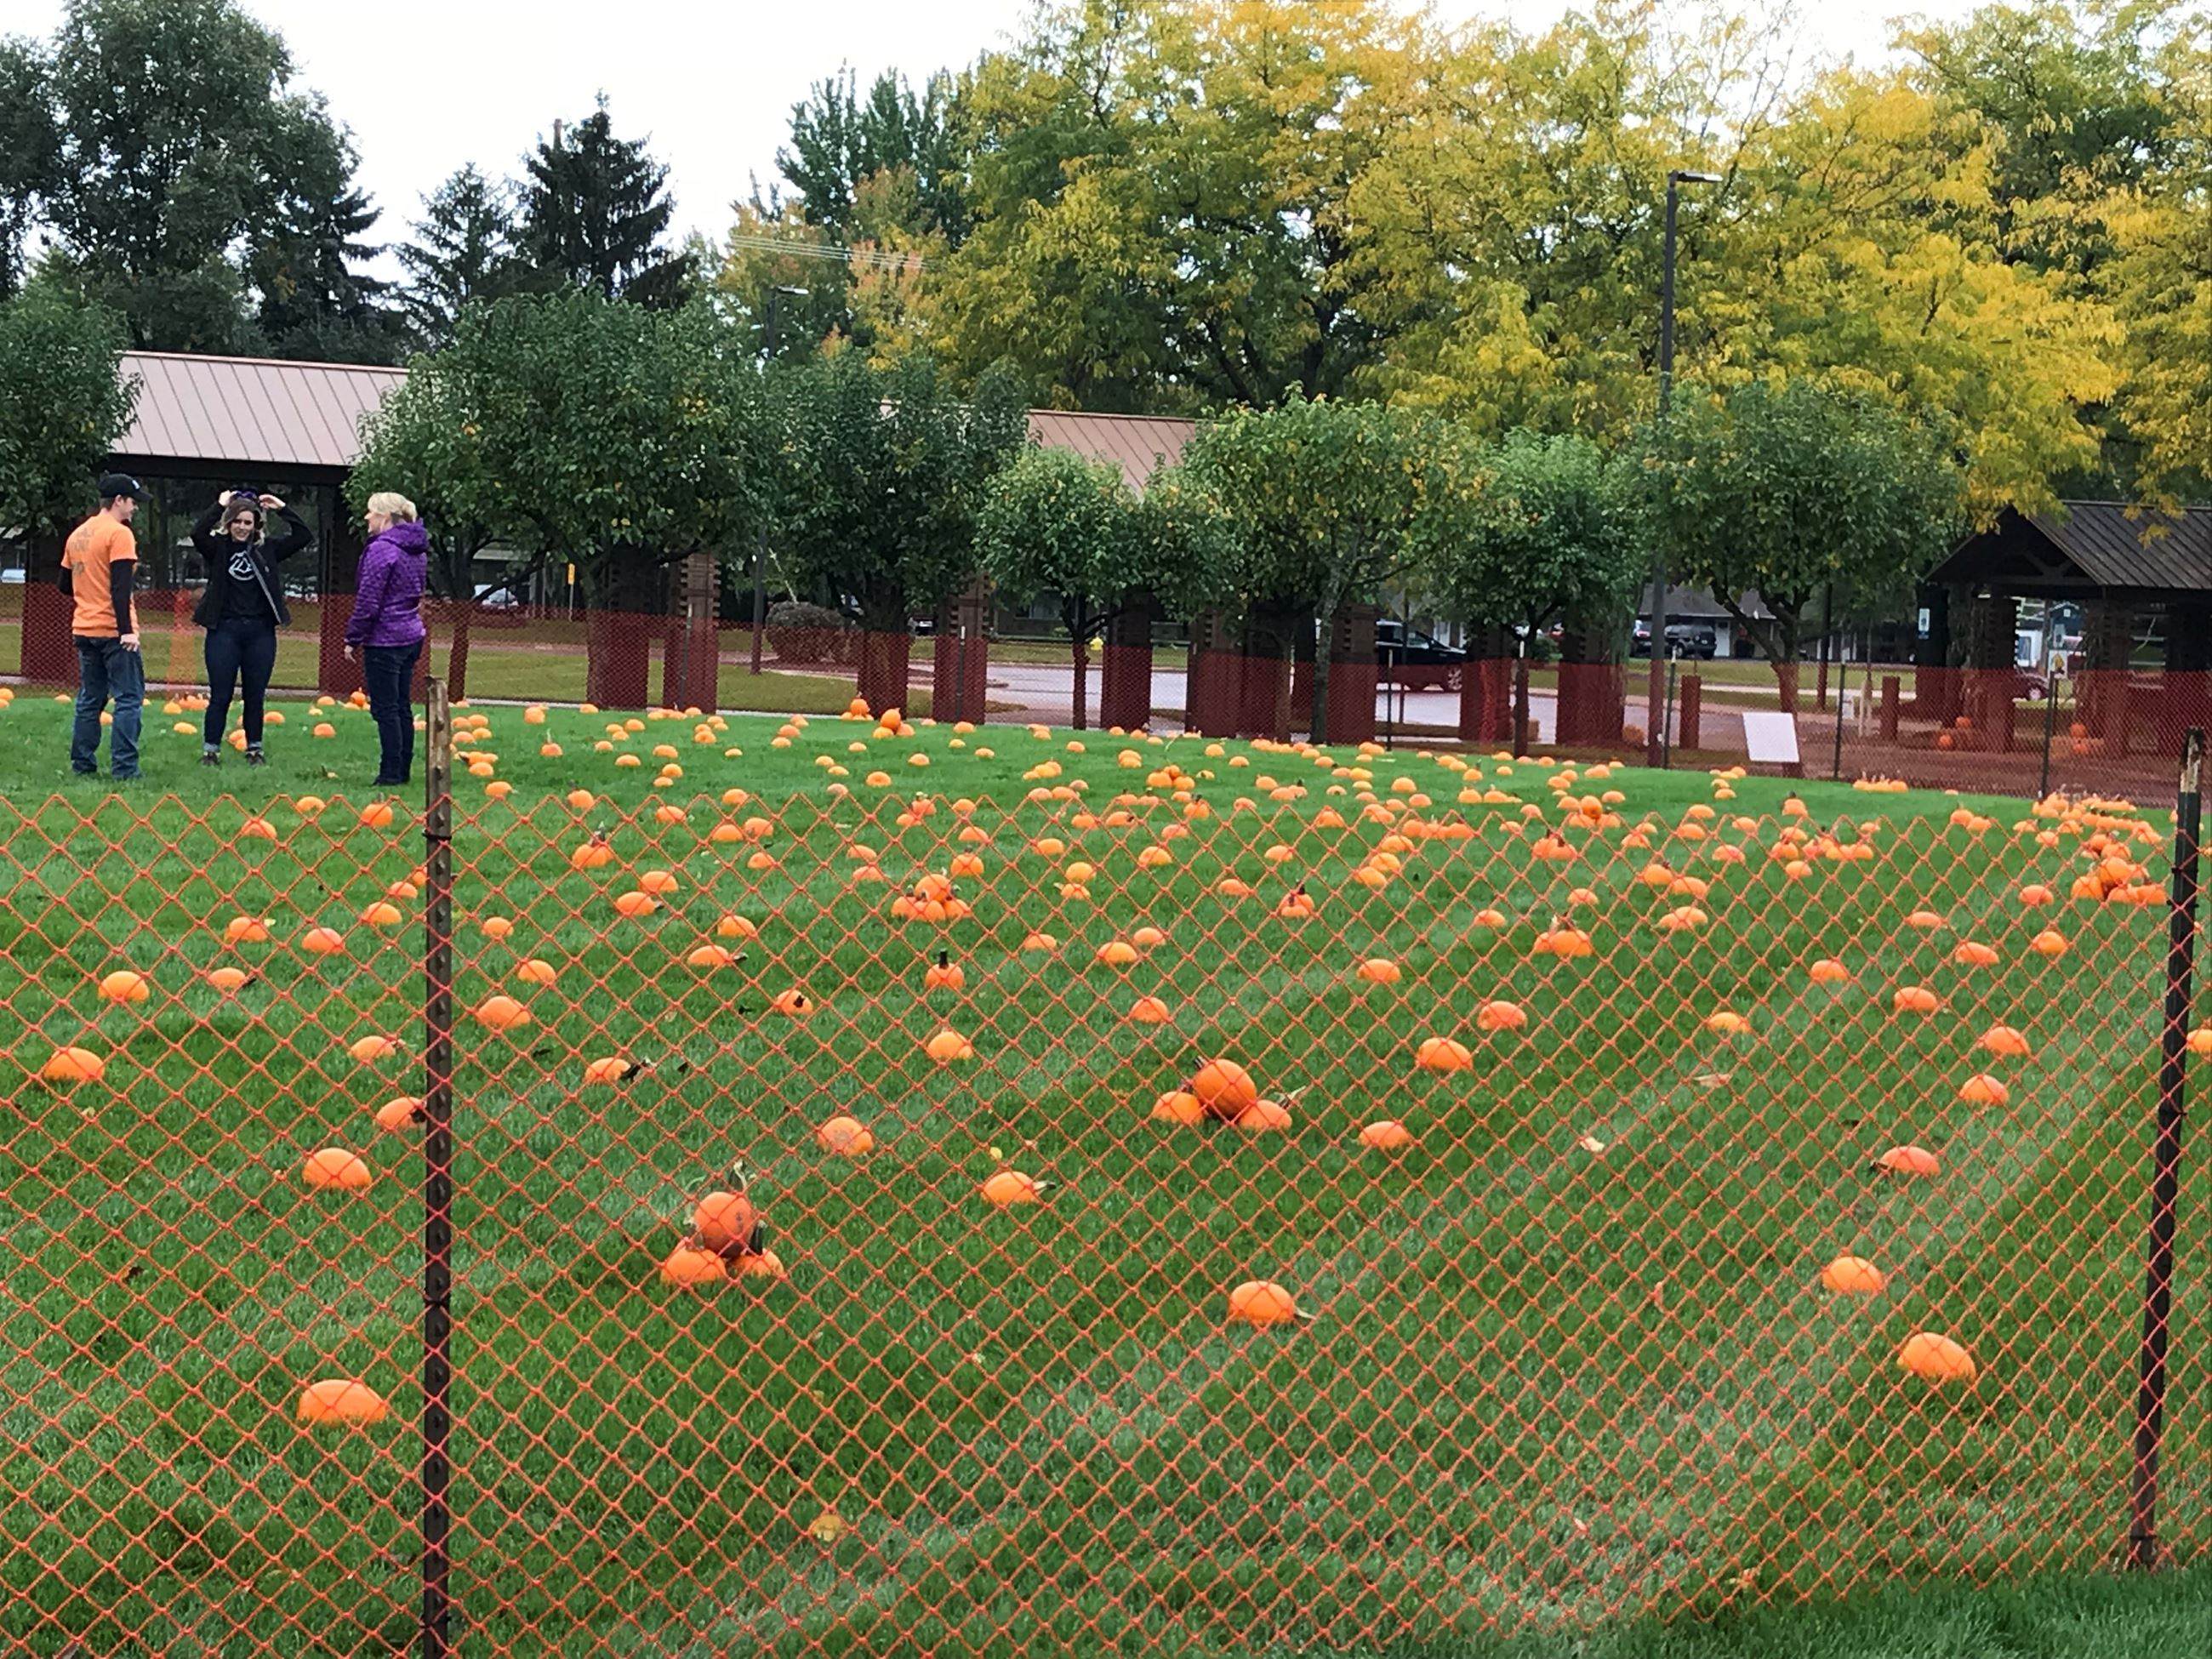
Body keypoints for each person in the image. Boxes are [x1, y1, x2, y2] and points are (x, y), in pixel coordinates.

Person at [191, 487, 314, 766]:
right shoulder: (219, 549)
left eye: (248, 522)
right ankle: (211, 750)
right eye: (237, 521)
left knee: (254, 695)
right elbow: (198, 533)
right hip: (224, 630)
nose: (242, 527)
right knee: (220, 694)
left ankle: (254, 749)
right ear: (229, 522)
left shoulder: (267, 550)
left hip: (260, 632)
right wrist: (219, 504)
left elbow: (304, 536)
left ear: (255, 525)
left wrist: (283, 508)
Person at [62, 473, 147, 780]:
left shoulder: (78, 535)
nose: (134, 508)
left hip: (84, 628)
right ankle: (125, 769)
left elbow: (64, 584)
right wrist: (126, 630)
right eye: (132, 502)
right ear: (118, 501)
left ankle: (82, 765)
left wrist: (88, 597)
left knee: (90, 698)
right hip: (113, 630)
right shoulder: (119, 534)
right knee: (128, 698)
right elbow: (121, 588)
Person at [345, 492, 429, 786]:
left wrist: (353, 638)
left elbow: (369, 600)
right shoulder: (416, 549)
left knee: (385, 708)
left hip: (385, 638)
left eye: (370, 512)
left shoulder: (382, 550)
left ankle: (390, 772)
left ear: (384, 517)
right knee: (402, 705)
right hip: (411, 634)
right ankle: (403, 768)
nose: (366, 518)